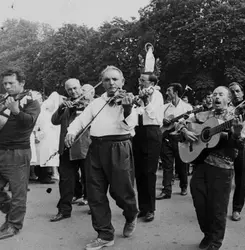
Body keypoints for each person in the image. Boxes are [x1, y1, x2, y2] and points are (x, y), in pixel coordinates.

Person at [65, 66, 139, 249]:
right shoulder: (96, 103)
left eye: (115, 79)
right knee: (94, 193)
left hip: (119, 147)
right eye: (107, 80)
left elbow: (130, 126)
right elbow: (81, 121)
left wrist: (128, 108)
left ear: (122, 82)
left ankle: (131, 214)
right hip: (96, 148)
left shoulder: (129, 100)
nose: (111, 83)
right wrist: (71, 132)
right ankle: (105, 234)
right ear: (102, 83)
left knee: (122, 192)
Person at [178, 86, 244, 250]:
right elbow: (181, 123)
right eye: (214, 94)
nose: (216, 97)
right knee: (199, 200)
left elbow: (239, 144)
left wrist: (236, 133)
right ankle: (208, 233)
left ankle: (215, 241)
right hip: (202, 164)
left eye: (221, 94)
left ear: (228, 99)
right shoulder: (204, 114)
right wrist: (185, 131)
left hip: (222, 167)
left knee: (218, 207)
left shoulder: (234, 116)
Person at [0, 68, 41, 239]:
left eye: (11, 83)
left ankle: (14, 225)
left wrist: (16, 110)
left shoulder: (31, 101)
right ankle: (10, 213)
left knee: (18, 192)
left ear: (22, 83)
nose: (7, 87)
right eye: (5, 84)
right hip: (1, 149)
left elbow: (29, 123)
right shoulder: (4, 100)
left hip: (18, 152)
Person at [50, 79, 92, 222]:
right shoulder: (66, 104)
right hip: (67, 147)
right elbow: (54, 121)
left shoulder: (90, 103)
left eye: (75, 88)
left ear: (80, 88)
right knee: (65, 180)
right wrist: (61, 107)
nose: (73, 92)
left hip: (85, 147)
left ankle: (94, 206)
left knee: (90, 179)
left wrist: (82, 108)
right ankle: (64, 210)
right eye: (69, 90)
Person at [133, 72, 164, 222]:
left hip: (152, 132)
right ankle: (143, 207)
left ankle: (151, 209)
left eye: (143, 80)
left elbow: (154, 116)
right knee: (139, 172)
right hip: (138, 132)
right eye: (140, 79)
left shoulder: (157, 95)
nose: (140, 82)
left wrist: (146, 101)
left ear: (151, 83)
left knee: (149, 172)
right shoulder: (140, 94)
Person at [157, 83, 192, 200]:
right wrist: (163, 120)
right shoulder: (165, 107)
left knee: (182, 163)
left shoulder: (187, 107)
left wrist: (184, 124)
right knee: (167, 165)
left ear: (176, 92)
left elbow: (191, 123)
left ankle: (183, 186)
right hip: (166, 137)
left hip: (180, 138)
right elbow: (158, 121)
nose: (167, 93)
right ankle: (166, 190)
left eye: (169, 91)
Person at [228, 82, 245, 222]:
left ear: (243, 93)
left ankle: (237, 209)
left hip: (243, 142)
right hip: (226, 141)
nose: (236, 94)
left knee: (242, 178)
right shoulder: (226, 107)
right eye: (232, 92)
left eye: (238, 91)